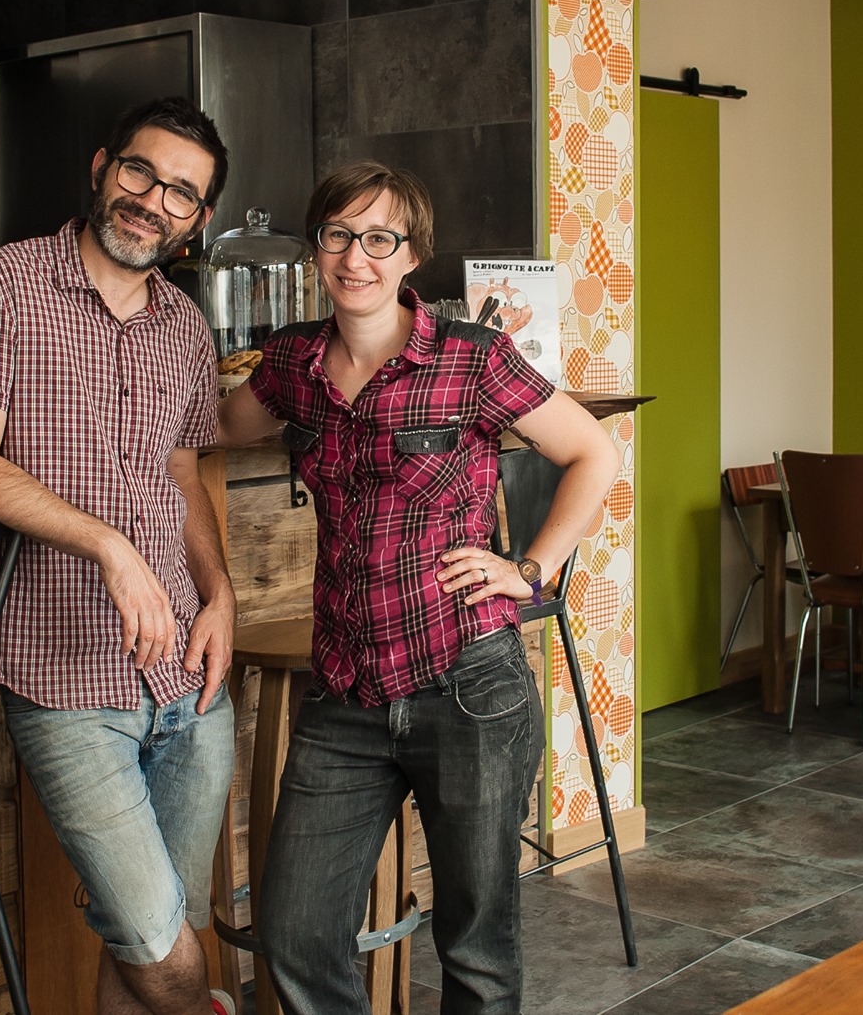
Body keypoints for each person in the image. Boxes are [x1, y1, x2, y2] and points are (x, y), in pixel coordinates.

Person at [218, 161, 619, 1015]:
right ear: (316, 247)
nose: (355, 257)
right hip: (344, 697)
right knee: (294, 931)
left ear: (411, 256)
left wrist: (529, 569)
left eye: (378, 238)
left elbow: (596, 453)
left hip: (467, 686)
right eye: (337, 235)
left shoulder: (470, 360)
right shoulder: (292, 363)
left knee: (475, 946)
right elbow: (208, 427)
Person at [0, 97, 238, 1015]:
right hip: (63, 672)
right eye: (140, 172)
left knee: (154, 940)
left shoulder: (183, 325)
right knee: (161, 948)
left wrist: (218, 596)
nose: (153, 200)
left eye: (182, 191)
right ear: (103, 167)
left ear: (198, 218)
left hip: (186, 675)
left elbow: (181, 478)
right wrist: (108, 545)